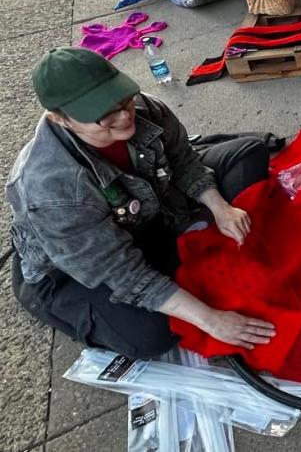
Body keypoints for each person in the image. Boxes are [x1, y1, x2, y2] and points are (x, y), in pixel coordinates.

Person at [6, 47, 276, 358]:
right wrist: (211, 319)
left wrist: (221, 208)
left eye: (123, 99)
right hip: (71, 268)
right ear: (60, 119)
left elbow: (184, 161)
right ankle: (167, 263)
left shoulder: (143, 107)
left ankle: (177, 250)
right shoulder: (52, 190)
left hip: (147, 212)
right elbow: (118, 272)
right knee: (152, 337)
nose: (124, 116)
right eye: (104, 114)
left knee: (248, 153)